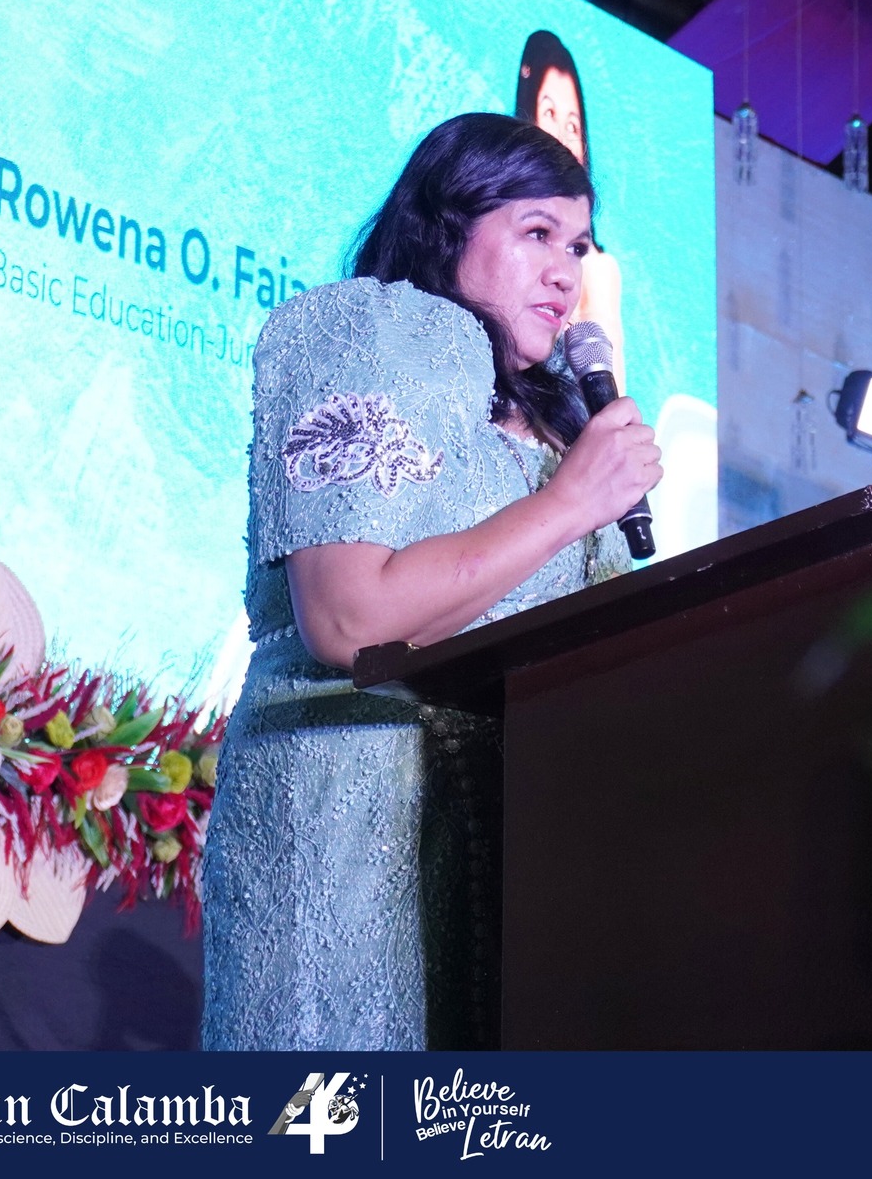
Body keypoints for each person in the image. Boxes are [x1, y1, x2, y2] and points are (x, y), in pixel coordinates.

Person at [201, 113, 661, 1050]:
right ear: (447, 225)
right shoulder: (360, 331)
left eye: (578, 247)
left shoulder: (559, 433)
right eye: (537, 233)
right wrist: (570, 504)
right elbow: (348, 617)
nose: (565, 273)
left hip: (522, 859)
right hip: (354, 838)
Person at [516, 30, 627, 392]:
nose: (562, 138)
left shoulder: (598, 269)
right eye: (550, 113)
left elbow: (611, 389)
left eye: (573, 126)